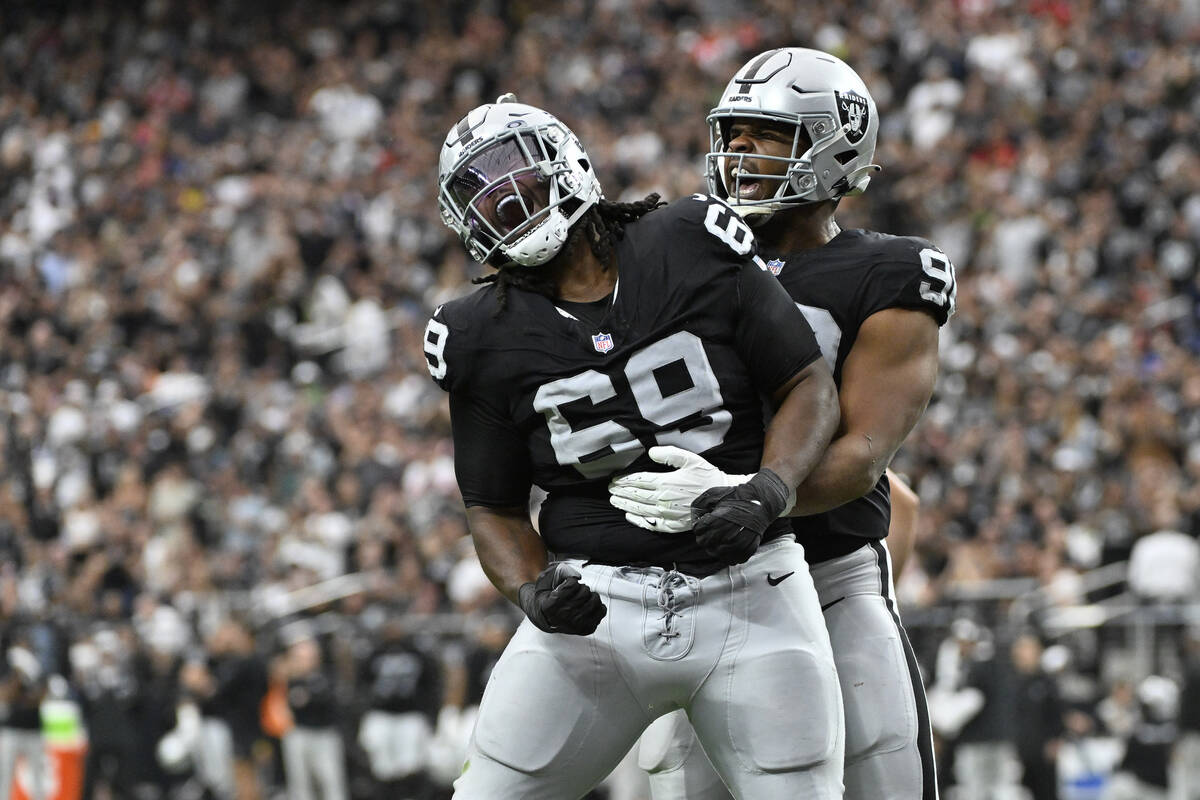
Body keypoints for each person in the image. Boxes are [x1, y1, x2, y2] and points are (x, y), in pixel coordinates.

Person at [424, 93, 845, 798]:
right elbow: (490, 507)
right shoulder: (476, 332)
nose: (501, 198)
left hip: (752, 588)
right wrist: (533, 591)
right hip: (598, 607)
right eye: (480, 189)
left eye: (514, 174)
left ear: (569, 163)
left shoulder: (687, 235)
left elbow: (808, 383)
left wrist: (768, 491)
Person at [608, 47, 956, 800]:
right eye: (730, 134)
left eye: (763, 134)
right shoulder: (679, 255)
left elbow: (865, 456)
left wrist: (754, 496)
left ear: (835, 144)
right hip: (703, 588)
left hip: (829, 578)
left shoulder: (889, 273)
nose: (737, 153)